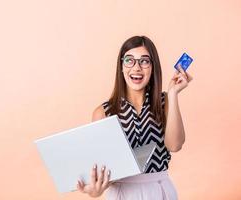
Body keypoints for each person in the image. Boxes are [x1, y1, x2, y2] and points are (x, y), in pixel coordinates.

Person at [76, 35, 193, 199]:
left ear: (153, 67)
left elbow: (175, 145)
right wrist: (97, 190)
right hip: (122, 193)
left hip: (159, 191)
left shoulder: (164, 102)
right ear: (121, 66)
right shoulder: (103, 112)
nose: (136, 67)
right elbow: (105, 169)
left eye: (144, 61)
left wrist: (173, 94)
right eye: (129, 60)